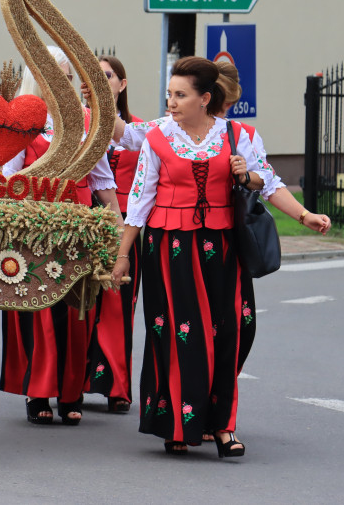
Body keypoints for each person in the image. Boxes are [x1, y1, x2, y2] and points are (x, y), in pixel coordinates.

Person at [111, 57, 266, 458]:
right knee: (181, 336)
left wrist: (242, 174)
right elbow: (141, 201)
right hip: (170, 247)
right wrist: (123, 255)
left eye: (181, 95)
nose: (172, 102)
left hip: (222, 246)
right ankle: (180, 424)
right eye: (170, 94)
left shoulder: (233, 135)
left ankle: (222, 424)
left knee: (229, 333)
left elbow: (260, 178)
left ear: (205, 99)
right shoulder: (158, 138)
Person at [0, 46, 122, 426]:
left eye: (67, 77)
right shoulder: (21, 118)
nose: (63, 84)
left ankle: (71, 391)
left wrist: (117, 223)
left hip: (81, 224)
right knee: (38, 305)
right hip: (36, 224)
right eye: (55, 77)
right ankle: (38, 391)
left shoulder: (87, 118)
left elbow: (101, 177)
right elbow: (8, 177)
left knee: (77, 306)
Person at [213, 62, 331, 236]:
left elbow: (268, 183)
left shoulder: (241, 135)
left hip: (225, 230)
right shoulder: (170, 131)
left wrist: (305, 215)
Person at [85, 54, 142, 413]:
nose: (100, 80)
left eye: (107, 75)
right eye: (92, 75)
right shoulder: (75, 125)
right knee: (82, 306)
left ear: (121, 84)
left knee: (119, 306)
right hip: (84, 224)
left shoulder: (138, 131)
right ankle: (77, 380)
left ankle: (117, 385)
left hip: (127, 229)